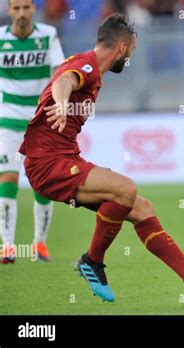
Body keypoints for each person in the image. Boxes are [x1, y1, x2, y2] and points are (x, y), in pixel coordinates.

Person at [19, 13, 184, 302]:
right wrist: (60, 104)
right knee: (125, 189)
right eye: (131, 50)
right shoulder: (88, 66)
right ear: (121, 47)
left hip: (64, 157)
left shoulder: (91, 70)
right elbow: (64, 82)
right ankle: (91, 262)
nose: (131, 55)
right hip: (47, 163)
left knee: (141, 207)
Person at [0, 0, 65, 263]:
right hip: (9, 120)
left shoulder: (48, 35)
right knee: (8, 179)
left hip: (40, 121)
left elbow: (60, 72)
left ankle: (39, 245)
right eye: (16, 8)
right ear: (9, 11)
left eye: (26, 7)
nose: (22, 13)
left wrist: (59, 103)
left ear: (34, 9)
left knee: (42, 183)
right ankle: (7, 247)